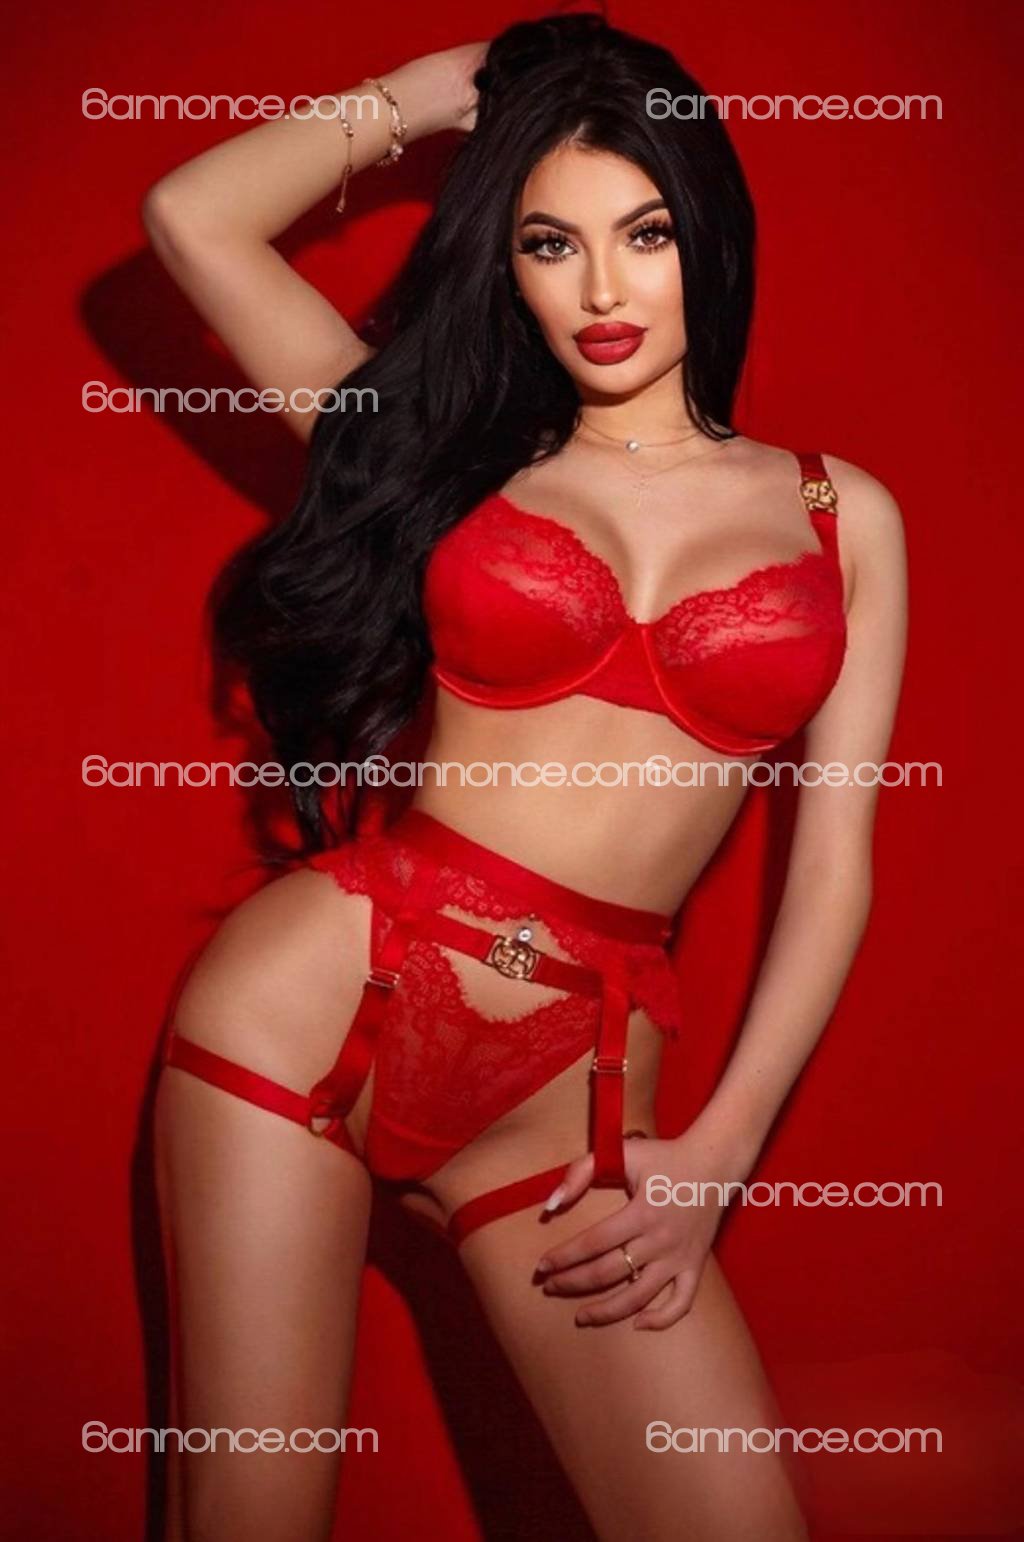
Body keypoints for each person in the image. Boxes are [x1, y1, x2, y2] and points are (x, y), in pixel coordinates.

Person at [143, 14, 907, 1540]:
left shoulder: (841, 514)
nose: (603, 290)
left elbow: (835, 864)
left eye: (644, 233)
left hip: (574, 1103)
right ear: (506, 260)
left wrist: (721, 1153)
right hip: (313, 1004)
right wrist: (451, 93)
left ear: (707, 233)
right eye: (550, 242)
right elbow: (190, 216)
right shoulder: (438, 451)